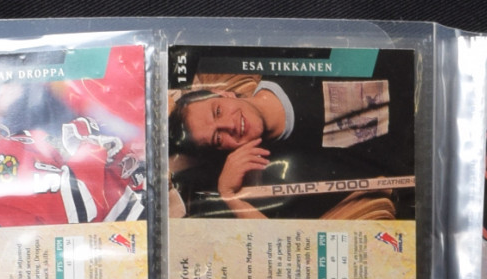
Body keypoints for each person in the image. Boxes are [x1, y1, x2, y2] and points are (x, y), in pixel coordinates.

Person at [168, 54, 415, 221]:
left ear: (223, 93)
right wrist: (229, 195)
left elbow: (387, 54)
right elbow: (287, 248)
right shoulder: (282, 181)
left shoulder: (295, 60)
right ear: (224, 152)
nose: (229, 125)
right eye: (218, 138)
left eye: (218, 111)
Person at [0, 108, 147, 227]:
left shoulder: (16, 141)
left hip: (134, 203)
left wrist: (85, 136)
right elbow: (81, 206)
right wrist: (91, 144)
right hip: (133, 218)